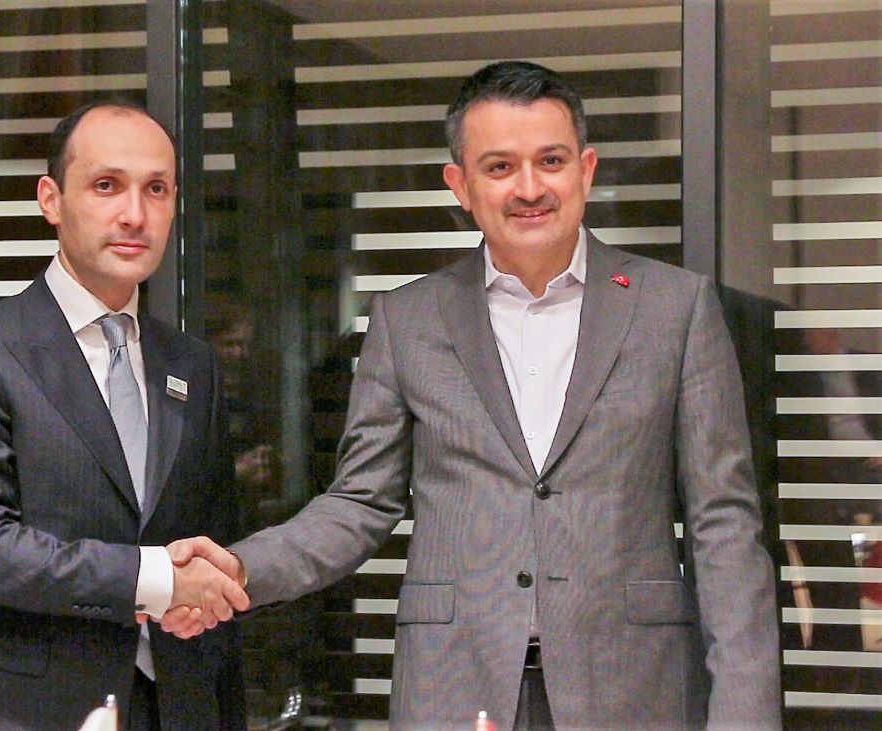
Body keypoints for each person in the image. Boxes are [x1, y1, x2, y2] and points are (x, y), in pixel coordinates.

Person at [165, 61, 781, 730]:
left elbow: (724, 527)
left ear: (586, 169)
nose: (529, 188)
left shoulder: (676, 309)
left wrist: (745, 716)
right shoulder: (407, 320)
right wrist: (240, 567)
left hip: (633, 686)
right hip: (455, 684)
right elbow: (360, 502)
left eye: (551, 161)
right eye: (499, 167)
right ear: (460, 184)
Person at [0, 100, 248, 730]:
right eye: (106, 185)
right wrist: (153, 578)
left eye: (156, 189)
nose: (135, 214)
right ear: (51, 199)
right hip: (28, 714)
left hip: (178, 707)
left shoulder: (192, 364)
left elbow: (209, 543)